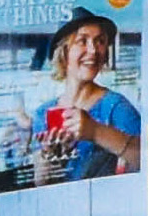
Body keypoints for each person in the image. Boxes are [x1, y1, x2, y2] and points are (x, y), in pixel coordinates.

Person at [30, 10, 141, 183]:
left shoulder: (115, 106)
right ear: (64, 52)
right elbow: (40, 182)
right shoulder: (42, 114)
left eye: (100, 41)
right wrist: (50, 157)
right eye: (82, 41)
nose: (93, 50)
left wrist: (95, 131)